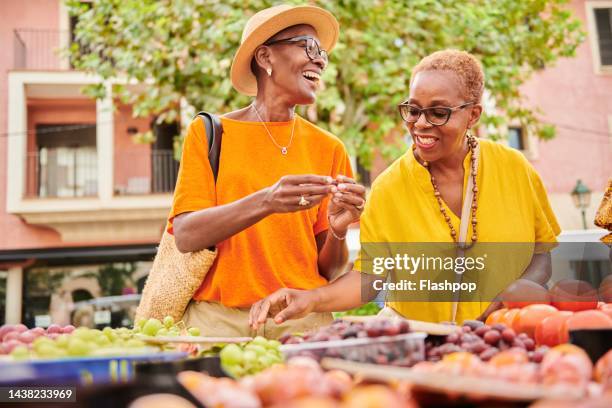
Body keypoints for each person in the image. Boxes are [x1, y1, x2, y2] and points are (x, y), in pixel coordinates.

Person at [250, 50, 561, 326]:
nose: (420, 124)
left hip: (510, 339)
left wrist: (510, 301)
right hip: (425, 349)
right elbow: (369, 279)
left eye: (438, 112)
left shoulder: (514, 167)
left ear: (473, 115)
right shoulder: (388, 188)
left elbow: (541, 254)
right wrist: (310, 299)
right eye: (413, 110)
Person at [170, 5, 366, 338]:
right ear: (265, 57)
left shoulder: (329, 147)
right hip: (219, 324)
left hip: (300, 323)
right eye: (308, 46)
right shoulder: (209, 133)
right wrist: (267, 201)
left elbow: (327, 272)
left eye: (322, 53)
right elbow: (186, 235)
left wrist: (336, 230)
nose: (319, 59)